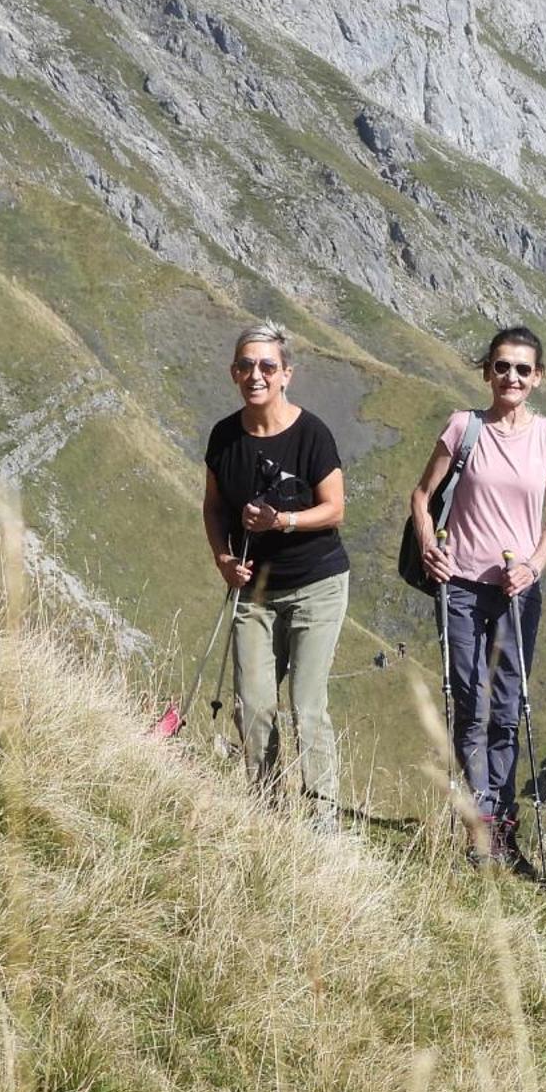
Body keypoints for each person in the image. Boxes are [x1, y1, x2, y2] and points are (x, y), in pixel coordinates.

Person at [408, 326, 546, 868]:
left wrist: (533, 566)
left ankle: (505, 827)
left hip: (516, 591)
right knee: (470, 702)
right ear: (487, 371)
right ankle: (480, 823)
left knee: (507, 708)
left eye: (523, 370)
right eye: (503, 366)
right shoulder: (464, 427)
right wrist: (428, 544)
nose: (512, 377)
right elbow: (422, 494)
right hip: (459, 585)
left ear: (538, 378)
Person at [202, 324, 350, 825]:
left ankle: (321, 819)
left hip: (317, 585)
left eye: (267, 366)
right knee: (253, 704)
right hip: (255, 592)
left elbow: (334, 511)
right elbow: (214, 508)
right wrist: (224, 559)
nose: (255, 375)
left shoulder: (313, 434)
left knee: (306, 707)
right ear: (233, 373)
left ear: (287, 374)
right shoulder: (224, 437)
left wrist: (280, 521)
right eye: (246, 366)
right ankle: (266, 810)